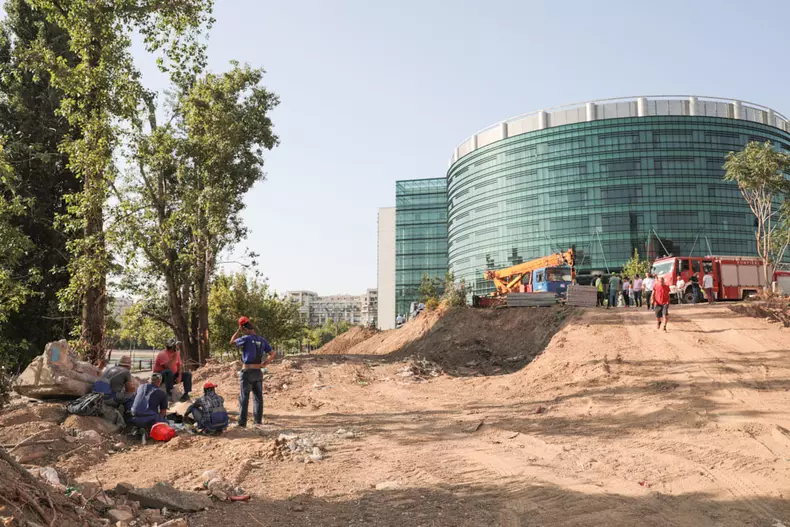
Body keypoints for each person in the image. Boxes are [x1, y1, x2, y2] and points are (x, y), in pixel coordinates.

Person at [230, 316, 275, 428]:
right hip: (258, 372)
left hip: (247, 371)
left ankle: (242, 424)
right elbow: (273, 353)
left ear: (243, 328)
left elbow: (231, 342)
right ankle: (257, 422)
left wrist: (237, 331)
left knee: (244, 398)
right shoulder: (262, 340)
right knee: (258, 398)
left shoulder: (246, 338)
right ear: (252, 328)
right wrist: (265, 363)